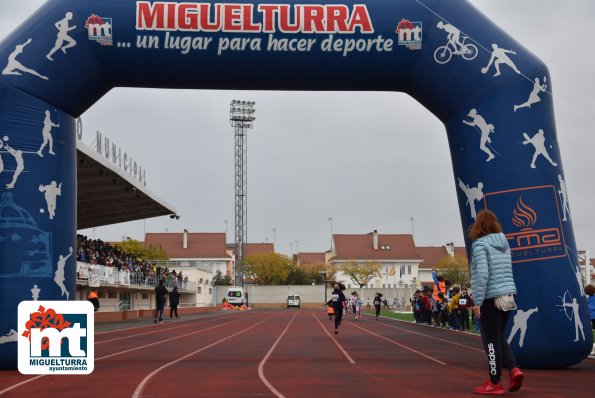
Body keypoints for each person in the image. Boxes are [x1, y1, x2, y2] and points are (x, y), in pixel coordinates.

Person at [469, 209, 524, 394]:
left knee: (491, 341)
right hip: (509, 294)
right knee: (499, 337)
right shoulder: (504, 243)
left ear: (478, 225)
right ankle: (514, 368)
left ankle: (494, 382)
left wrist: (477, 301)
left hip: (490, 297)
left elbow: (482, 274)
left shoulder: (479, 245)